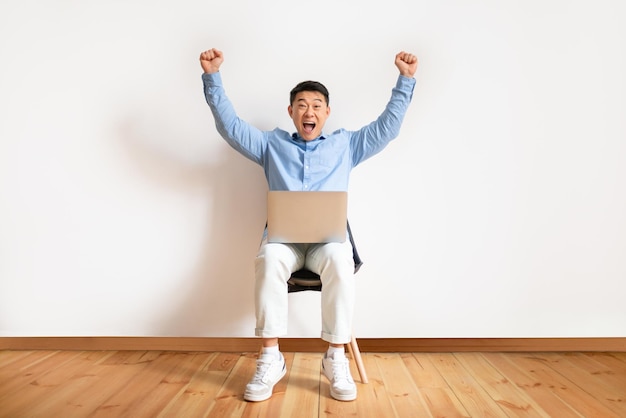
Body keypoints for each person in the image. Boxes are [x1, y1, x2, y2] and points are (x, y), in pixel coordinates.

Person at [199, 48, 418, 402]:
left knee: (339, 256)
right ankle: (271, 358)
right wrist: (213, 78)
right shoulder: (271, 144)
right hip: (283, 244)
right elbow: (231, 127)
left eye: (316, 105)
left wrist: (405, 81)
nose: (309, 111)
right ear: (291, 112)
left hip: (325, 245)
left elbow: (387, 128)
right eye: (301, 104)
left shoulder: (347, 145)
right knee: (269, 258)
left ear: (327, 112)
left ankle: (335, 357)